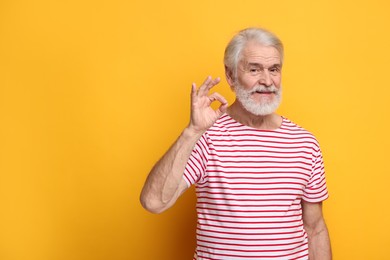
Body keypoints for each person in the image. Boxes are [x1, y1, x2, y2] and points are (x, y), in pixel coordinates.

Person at [140, 27, 331, 260]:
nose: (267, 81)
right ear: (230, 76)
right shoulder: (206, 137)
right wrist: (193, 131)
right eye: (254, 69)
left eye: (274, 69)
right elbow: (153, 202)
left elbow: (315, 228)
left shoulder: (304, 144)